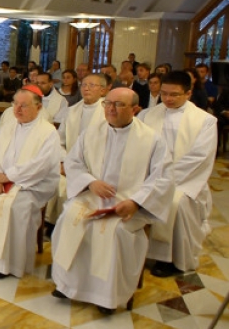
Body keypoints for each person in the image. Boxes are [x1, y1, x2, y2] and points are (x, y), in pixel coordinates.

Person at [51, 88, 171, 314]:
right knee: (69, 218)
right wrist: (90, 182)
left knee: (115, 233)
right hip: (91, 197)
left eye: (119, 105)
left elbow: (162, 178)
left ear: (135, 109)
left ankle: (106, 296)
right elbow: (74, 162)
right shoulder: (91, 132)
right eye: (108, 103)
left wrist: (136, 202)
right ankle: (68, 285)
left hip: (126, 203)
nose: (110, 109)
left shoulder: (152, 140)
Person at [0, 86, 62, 278]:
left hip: (31, 185)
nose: (18, 109)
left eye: (24, 105)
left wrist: (7, 178)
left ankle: (5, 263)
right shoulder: (7, 127)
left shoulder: (48, 133)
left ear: (38, 108)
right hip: (1, 179)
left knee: (12, 206)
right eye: (15, 104)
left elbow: (40, 166)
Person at [138, 71, 218, 276]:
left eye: (174, 95)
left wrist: (164, 179)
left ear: (188, 93)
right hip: (148, 175)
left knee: (175, 204)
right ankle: (135, 249)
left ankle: (170, 259)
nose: (168, 99)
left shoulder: (205, 121)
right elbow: (137, 146)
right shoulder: (148, 115)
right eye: (164, 94)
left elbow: (199, 158)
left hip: (184, 180)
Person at [46, 73, 109, 226]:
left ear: (103, 90)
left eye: (92, 85)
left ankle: (76, 226)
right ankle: (52, 225)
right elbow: (60, 141)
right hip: (69, 165)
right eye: (84, 85)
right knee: (51, 181)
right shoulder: (72, 110)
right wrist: (64, 162)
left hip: (96, 170)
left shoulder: (108, 112)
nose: (86, 88)